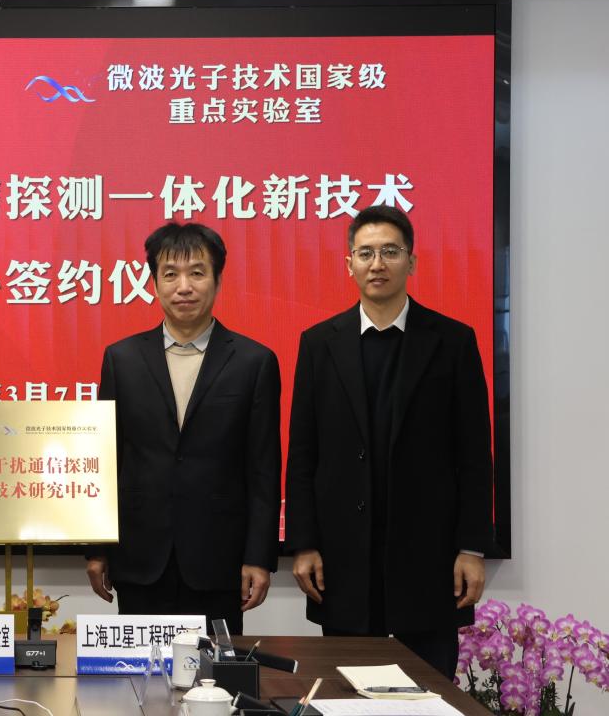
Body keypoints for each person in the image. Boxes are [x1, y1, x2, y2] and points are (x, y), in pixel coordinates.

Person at [284, 205, 493, 678]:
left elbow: (474, 456)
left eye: (390, 252)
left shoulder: (452, 341)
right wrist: (304, 544)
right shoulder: (319, 343)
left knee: (429, 692)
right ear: (349, 264)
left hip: (429, 558)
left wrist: (472, 548)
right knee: (346, 692)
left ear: (411, 262)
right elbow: (303, 454)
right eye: (366, 253)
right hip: (343, 561)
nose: (377, 264)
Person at [85, 222, 281, 633]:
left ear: (218, 280)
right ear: (154, 283)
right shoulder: (122, 359)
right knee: (137, 670)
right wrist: (97, 549)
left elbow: (263, 469)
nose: (184, 287)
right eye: (170, 274)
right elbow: (106, 459)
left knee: (216, 670)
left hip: (219, 560)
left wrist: (259, 556)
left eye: (197, 273)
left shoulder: (254, 362)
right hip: (140, 558)